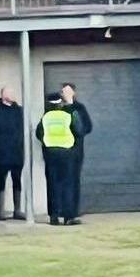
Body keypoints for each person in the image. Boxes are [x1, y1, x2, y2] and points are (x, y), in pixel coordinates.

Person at [0, 86, 27, 221]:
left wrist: (20, 142)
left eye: (12, 93)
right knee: (1, 179)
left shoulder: (19, 111)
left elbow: (25, 129)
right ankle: (0, 211)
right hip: (2, 153)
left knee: (17, 180)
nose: (12, 95)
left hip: (17, 152)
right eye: (9, 93)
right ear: (2, 95)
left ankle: (17, 210)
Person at [35, 91, 77, 225]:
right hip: (66, 152)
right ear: (61, 103)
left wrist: (46, 142)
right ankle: (68, 216)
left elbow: (38, 133)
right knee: (67, 184)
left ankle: (54, 216)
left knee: (53, 185)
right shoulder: (67, 116)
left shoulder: (45, 118)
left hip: (51, 153)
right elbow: (78, 130)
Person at [60, 82, 93, 225]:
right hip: (60, 152)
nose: (65, 94)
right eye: (63, 92)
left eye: (67, 91)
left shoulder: (79, 108)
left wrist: (77, 130)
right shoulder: (57, 109)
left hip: (75, 151)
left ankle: (72, 213)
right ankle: (60, 212)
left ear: (73, 93)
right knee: (61, 182)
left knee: (73, 181)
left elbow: (87, 127)